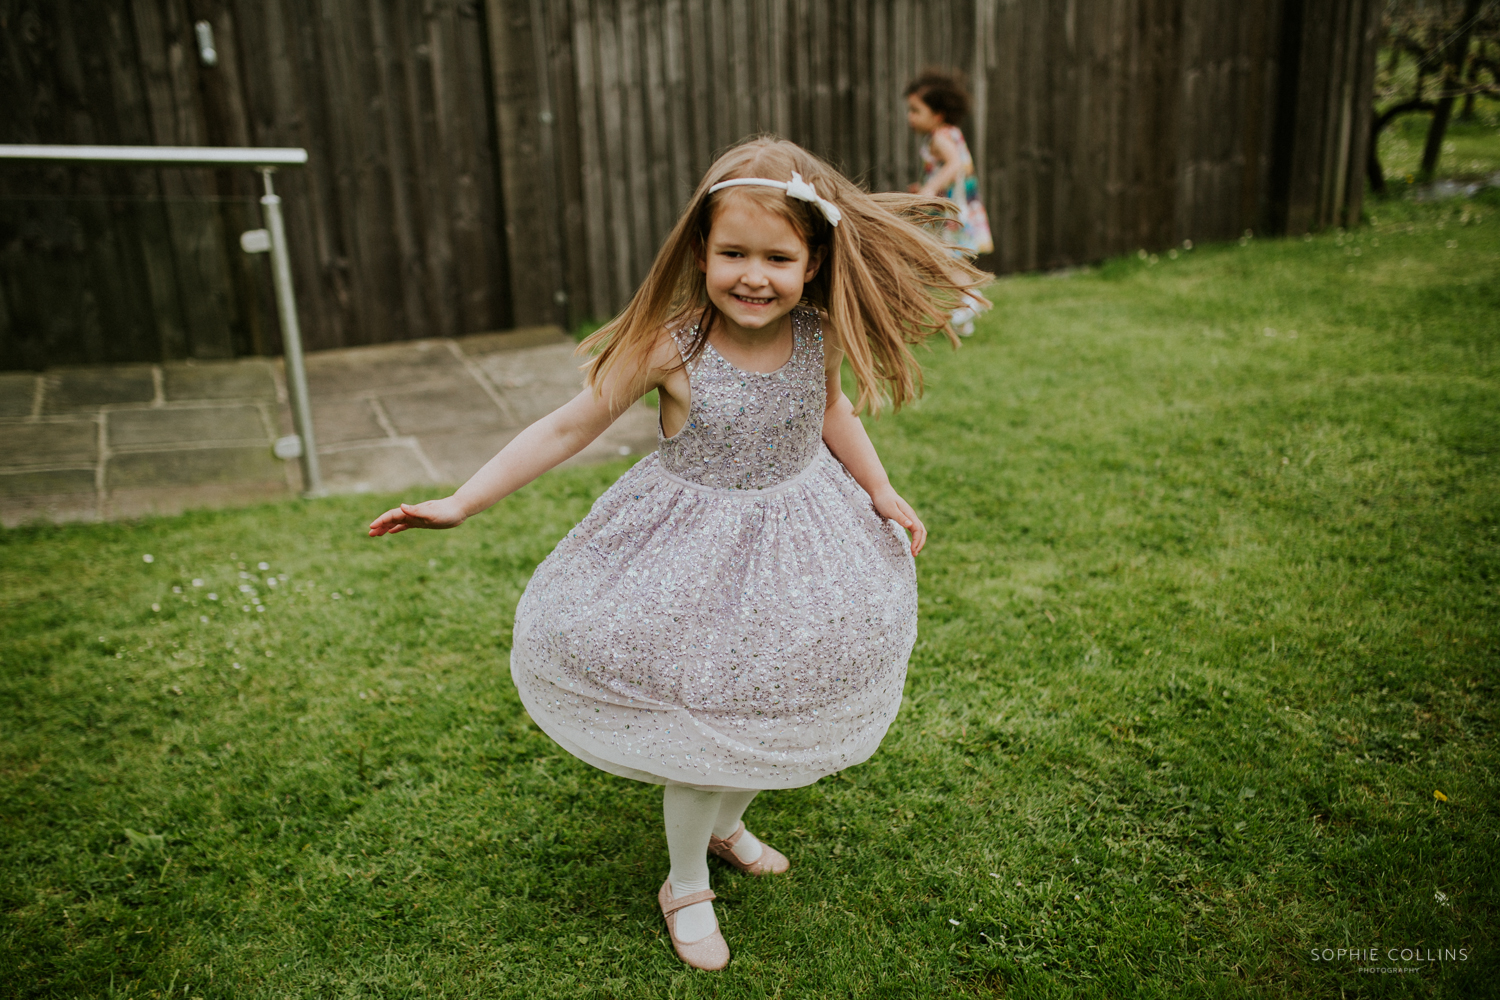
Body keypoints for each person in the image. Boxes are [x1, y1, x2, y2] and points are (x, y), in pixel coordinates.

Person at [368, 136, 987, 971]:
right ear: (701, 252)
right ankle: (685, 880)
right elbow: (566, 425)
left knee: (768, 695)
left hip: (800, 540)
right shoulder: (673, 346)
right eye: (733, 253)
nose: (753, 276)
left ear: (813, 262)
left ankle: (727, 823)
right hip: (691, 554)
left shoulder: (817, 336)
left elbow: (833, 416)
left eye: (777, 256)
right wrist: (461, 500)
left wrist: (879, 489)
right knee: (705, 722)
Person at [905, 69, 993, 335]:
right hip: (960, 209)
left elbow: (954, 164)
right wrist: (924, 186)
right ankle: (964, 319)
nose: (910, 117)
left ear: (937, 115)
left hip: (949, 215)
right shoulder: (951, 132)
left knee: (942, 261)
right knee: (953, 262)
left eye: (915, 110)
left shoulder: (940, 138)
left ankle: (969, 300)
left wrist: (930, 188)